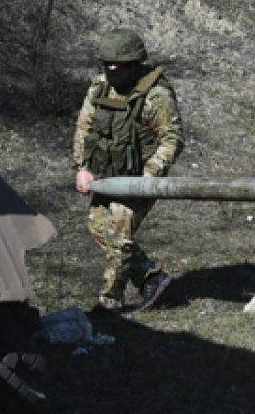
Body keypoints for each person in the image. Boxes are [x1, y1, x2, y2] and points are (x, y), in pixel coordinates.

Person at [73, 28, 184, 311]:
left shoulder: (156, 94)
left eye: (118, 65)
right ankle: (151, 277)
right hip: (106, 176)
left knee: (119, 236)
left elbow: (172, 139)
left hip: (139, 179)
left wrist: (151, 175)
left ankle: (110, 302)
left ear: (133, 63)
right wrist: (82, 167)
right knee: (98, 226)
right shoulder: (100, 88)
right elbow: (84, 127)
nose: (111, 70)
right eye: (107, 64)